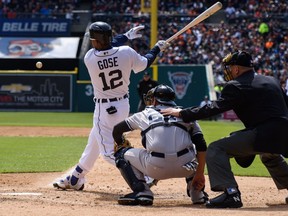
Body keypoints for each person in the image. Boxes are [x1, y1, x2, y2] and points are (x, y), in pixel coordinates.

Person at [161, 50, 288, 208]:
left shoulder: (235, 85)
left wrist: (182, 113)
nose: (228, 72)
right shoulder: (273, 81)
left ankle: (231, 193)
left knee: (216, 148)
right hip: (284, 133)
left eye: (229, 68)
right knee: (270, 156)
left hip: (263, 133)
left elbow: (214, 108)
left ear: (236, 69)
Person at [53, 21, 169, 190]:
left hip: (104, 110)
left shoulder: (90, 58)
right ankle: (76, 177)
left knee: (109, 153)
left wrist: (126, 36)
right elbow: (144, 62)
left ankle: (146, 174)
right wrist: (157, 49)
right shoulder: (126, 53)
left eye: (93, 39)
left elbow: (107, 46)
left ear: (97, 41)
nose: (92, 42)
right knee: (94, 141)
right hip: (123, 106)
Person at [112, 84, 208, 206]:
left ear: (155, 100)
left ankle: (142, 191)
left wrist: (121, 143)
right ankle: (197, 193)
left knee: (121, 153)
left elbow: (117, 130)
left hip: (155, 168)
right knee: (194, 149)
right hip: (186, 168)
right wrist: (200, 173)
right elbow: (202, 145)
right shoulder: (186, 114)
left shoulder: (145, 114)